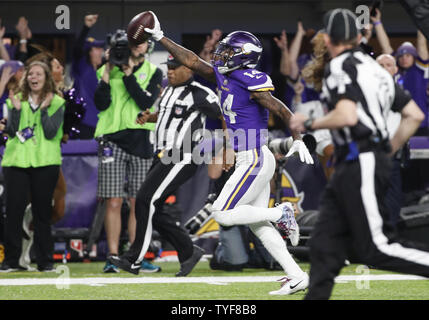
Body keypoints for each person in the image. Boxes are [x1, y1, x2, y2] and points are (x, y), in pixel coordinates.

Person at [128, 12, 314, 295]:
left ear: (243, 57)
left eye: (228, 51)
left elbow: (278, 107)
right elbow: (191, 60)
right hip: (248, 157)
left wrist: (297, 137)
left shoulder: (248, 79)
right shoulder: (223, 75)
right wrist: (159, 36)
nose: (221, 54)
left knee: (223, 214)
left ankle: (281, 212)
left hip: (253, 157)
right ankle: (297, 275)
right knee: (258, 226)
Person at [289, 8, 429, 300]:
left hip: (359, 158)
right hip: (360, 160)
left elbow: (347, 115)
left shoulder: (340, 65)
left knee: (376, 248)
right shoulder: (376, 68)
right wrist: (387, 151)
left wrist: (309, 122)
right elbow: (413, 115)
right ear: (356, 36)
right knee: (324, 245)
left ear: (327, 39)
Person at [109, 54, 221, 276]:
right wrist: (148, 117)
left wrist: (228, 148)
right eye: (168, 67)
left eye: (174, 67)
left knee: (144, 200)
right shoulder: (169, 90)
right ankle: (188, 251)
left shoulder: (200, 93)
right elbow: (168, 115)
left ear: (189, 69)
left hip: (183, 155)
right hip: (162, 155)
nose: (169, 71)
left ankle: (134, 259)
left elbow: (225, 115)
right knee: (152, 209)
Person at [94, 29, 163, 273]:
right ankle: (112, 256)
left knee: (138, 203)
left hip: (142, 141)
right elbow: (100, 104)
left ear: (148, 47)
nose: (136, 47)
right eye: (133, 43)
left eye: (142, 43)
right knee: (113, 200)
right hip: (112, 139)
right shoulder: (108, 69)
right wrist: (106, 72)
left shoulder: (155, 72)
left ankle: (135, 255)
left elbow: (145, 102)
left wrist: (128, 74)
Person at [0, 61, 64, 272]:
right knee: (14, 212)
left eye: (38, 74)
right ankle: (11, 261)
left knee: (42, 213)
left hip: (46, 163)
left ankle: (45, 262)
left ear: (46, 78)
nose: (33, 78)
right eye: (30, 74)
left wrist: (44, 110)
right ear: (26, 78)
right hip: (16, 162)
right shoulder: (14, 100)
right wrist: (16, 112)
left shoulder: (56, 102)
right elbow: (9, 131)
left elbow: (51, 133)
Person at [371, 7, 429, 136]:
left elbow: (421, 43)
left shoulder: (420, 70)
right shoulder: (394, 70)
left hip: (421, 124)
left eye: (408, 55)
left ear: (414, 57)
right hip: (397, 124)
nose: (404, 58)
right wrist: (377, 22)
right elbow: (386, 47)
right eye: (401, 56)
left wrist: (422, 20)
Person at [71, 14, 105, 139]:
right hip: (85, 123)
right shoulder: (83, 68)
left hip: (102, 124)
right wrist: (86, 27)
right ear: (89, 52)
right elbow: (77, 50)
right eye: (97, 48)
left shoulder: (101, 72)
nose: (101, 51)